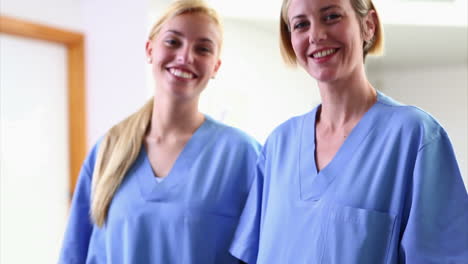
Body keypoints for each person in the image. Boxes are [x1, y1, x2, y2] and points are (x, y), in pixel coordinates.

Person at [229, 0, 468, 263]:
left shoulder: (414, 136)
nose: (316, 35)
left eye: (331, 16)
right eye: (300, 24)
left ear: (368, 25)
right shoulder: (279, 144)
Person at [59, 1, 260, 263]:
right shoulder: (108, 151)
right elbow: (74, 255)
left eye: (203, 48)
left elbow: (262, 253)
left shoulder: (241, 155)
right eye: (173, 42)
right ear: (149, 49)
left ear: (216, 67)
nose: (186, 56)